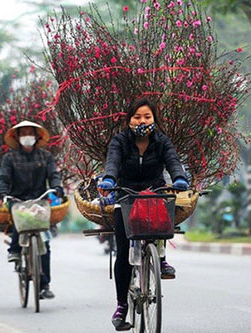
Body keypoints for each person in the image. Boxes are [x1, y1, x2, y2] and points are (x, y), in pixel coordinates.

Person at [98, 97, 189, 330]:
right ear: (129, 120)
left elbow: (173, 161)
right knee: (122, 252)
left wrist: (179, 178)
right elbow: (113, 163)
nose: (142, 121)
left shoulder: (162, 142)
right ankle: (121, 306)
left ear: (154, 119)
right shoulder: (119, 141)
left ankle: (161, 257)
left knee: (160, 218)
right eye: (137, 116)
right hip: (125, 195)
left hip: (154, 193)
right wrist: (109, 179)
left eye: (147, 116)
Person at [0, 120, 64, 300]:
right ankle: (15, 250)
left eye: (30, 133)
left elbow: (53, 175)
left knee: (45, 242)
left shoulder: (45, 157)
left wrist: (57, 186)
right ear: (17, 137)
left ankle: (44, 285)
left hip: (39, 201)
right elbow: (3, 178)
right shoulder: (9, 158)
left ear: (37, 136)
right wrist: (2, 192)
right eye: (23, 133)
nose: (27, 136)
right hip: (17, 200)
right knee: (20, 223)